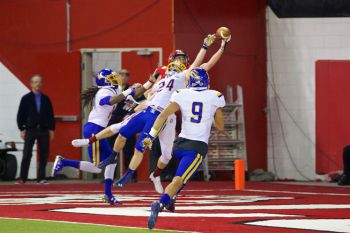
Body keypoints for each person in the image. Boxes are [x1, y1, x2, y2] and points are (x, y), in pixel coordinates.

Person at [113, 34, 228, 191]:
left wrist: (217, 47)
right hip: (157, 112)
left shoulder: (187, 74)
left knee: (167, 154)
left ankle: (156, 174)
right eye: (178, 59)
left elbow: (205, 64)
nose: (181, 62)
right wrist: (144, 101)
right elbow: (149, 92)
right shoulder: (162, 74)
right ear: (171, 61)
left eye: (182, 59)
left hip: (169, 115)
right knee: (130, 135)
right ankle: (124, 168)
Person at [51, 69, 156, 204]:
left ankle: (108, 194)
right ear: (106, 80)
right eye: (112, 77)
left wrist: (150, 82)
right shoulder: (103, 92)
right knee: (98, 166)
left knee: (112, 160)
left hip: (99, 129)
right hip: (94, 129)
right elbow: (112, 101)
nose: (116, 78)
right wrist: (128, 91)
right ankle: (64, 162)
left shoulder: (114, 90)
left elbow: (134, 94)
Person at [143, 67, 225, 229]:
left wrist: (151, 136)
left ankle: (172, 199)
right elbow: (220, 127)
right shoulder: (215, 96)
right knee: (179, 179)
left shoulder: (181, 94)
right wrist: (212, 115)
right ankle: (160, 204)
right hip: (196, 146)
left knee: (184, 176)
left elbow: (162, 115)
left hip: (179, 144)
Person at [16, 74, 55, 184]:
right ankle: (22, 178)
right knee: (27, 153)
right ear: (31, 84)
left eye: (39, 82)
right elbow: (21, 115)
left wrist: (51, 129)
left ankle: (41, 178)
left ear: (42, 84)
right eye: (35, 82)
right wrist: (21, 128)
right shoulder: (26, 98)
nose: (37, 84)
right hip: (30, 129)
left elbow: (50, 114)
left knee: (44, 154)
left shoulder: (46, 99)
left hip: (43, 130)